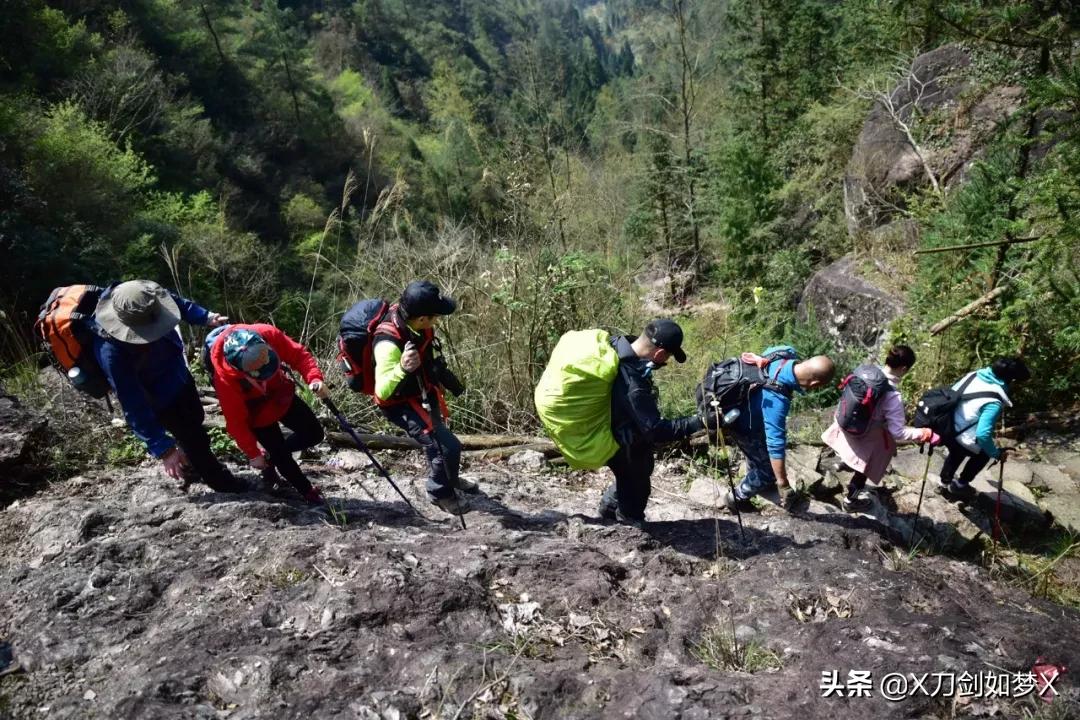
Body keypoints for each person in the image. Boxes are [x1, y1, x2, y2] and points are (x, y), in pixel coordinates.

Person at [91, 279, 243, 491]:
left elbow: (176, 303)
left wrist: (205, 317)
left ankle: (192, 458)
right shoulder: (112, 352)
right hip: (160, 398)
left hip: (178, 374)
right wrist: (163, 449)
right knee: (193, 438)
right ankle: (221, 483)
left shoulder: (147, 298)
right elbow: (132, 403)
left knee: (196, 420)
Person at [372, 281, 477, 515]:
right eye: (435, 317)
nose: (436, 322)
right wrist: (402, 368)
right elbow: (382, 392)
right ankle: (440, 493)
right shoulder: (388, 344)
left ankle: (450, 479)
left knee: (439, 439)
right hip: (399, 402)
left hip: (421, 389)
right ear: (421, 319)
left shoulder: (411, 319)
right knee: (447, 446)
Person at [597, 319, 707, 528]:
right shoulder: (632, 382)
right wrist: (698, 422)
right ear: (659, 354)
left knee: (629, 477)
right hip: (626, 444)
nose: (665, 362)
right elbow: (656, 430)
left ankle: (608, 510)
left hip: (612, 433)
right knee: (636, 487)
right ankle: (628, 529)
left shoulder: (616, 345)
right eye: (668, 357)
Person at [207, 324, 329, 504]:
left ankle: (273, 456)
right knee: (281, 455)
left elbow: (298, 355)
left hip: (280, 392)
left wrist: (314, 378)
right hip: (255, 411)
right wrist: (253, 454)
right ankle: (307, 491)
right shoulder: (225, 381)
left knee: (314, 433)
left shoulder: (267, 333)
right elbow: (236, 423)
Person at [821, 345, 938, 511]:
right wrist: (923, 433)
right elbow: (898, 432)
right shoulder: (893, 396)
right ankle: (851, 501)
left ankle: (843, 462)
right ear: (904, 368)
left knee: (856, 448)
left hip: (845, 424)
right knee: (866, 467)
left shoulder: (867, 371)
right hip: (865, 434)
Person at [721, 346, 835, 510]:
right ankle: (736, 498)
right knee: (768, 471)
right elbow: (775, 445)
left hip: (744, 410)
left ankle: (755, 475)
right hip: (739, 423)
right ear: (815, 383)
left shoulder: (784, 352)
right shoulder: (777, 399)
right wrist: (783, 484)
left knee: (760, 451)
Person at [937, 357, 1030, 499]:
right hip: (961, 436)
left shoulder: (972, 375)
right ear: (1011, 380)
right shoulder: (994, 401)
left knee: (957, 450)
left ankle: (944, 483)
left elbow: (951, 394)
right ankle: (961, 485)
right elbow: (982, 435)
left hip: (946, 427)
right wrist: (997, 454)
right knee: (984, 453)